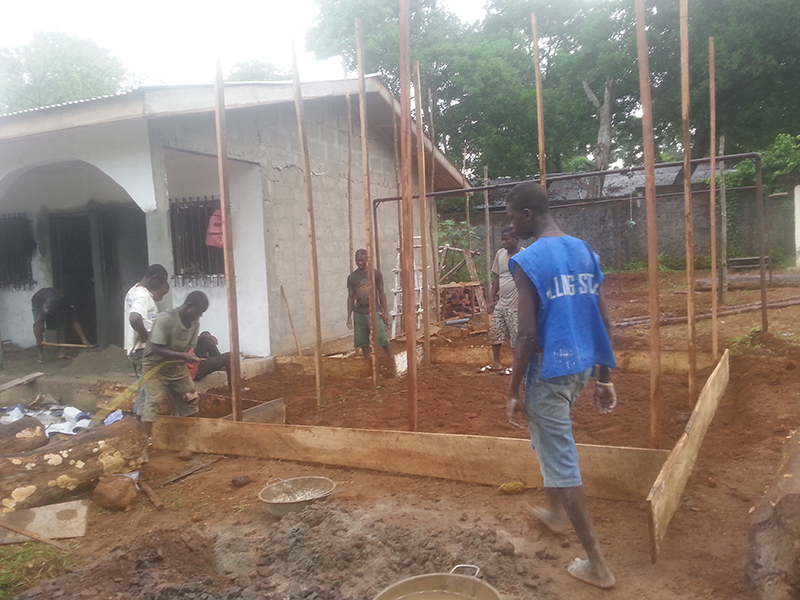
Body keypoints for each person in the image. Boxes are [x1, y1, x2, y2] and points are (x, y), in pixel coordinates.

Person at [504, 181, 618, 589]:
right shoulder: (584, 251)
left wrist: (514, 390)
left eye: (514, 217)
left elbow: (527, 335)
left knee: (562, 458)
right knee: (548, 436)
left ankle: (597, 564)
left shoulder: (527, 260)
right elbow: (604, 319)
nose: (512, 225)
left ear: (529, 215)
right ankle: (554, 513)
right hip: (581, 368)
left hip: (547, 371)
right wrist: (603, 378)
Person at [140, 291, 209, 438]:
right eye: (199, 311)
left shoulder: (195, 322)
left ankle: (189, 439)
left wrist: (188, 357)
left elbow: (188, 346)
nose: (200, 315)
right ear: (189, 305)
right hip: (155, 367)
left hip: (176, 367)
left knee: (190, 398)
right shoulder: (166, 319)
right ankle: (144, 443)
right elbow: (155, 348)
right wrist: (182, 356)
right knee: (154, 401)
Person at [123, 264, 170, 418]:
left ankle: (141, 421)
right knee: (149, 391)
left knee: (144, 389)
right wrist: (150, 338)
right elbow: (135, 318)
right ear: (153, 279)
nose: (161, 286)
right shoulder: (143, 296)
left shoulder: (134, 290)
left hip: (138, 349)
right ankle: (143, 425)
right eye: (160, 282)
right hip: (143, 349)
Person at [483, 226, 523, 373]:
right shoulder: (500, 254)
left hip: (517, 305)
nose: (504, 242)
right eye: (502, 240)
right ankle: (497, 363)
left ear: (516, 239)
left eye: (507, 239)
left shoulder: (524, 255)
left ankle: (516, 365)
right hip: (501, 303)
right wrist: (491, 299)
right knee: (495, 333)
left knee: (516, 336)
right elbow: (496, 278)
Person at [346, 249, 394, 367]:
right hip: (359, 313)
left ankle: (392, 361)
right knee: (363, 342)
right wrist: (349, 316)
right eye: (358, 261)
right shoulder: (352, 277)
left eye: (362, 260)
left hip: (374, 311)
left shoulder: (375, 274)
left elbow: (381, 292)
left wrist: (385, 311)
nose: (360, 263)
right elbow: (351, 297)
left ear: (367, 259)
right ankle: (368, 365)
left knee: (382, 338)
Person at [31, 287, 92, 363]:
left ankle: (62, 353)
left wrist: (84, 339)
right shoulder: (47, 306)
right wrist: (38, 341)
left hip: (54, 304)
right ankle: (41, 355)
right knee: (39, 326)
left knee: (61, 327)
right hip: (38, 301)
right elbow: (37, 323)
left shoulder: (69, 306)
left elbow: (75, 322)